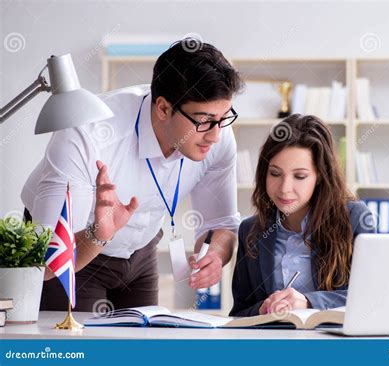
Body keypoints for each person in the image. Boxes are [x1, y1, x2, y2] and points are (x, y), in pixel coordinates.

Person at [21, 38, 243, 311]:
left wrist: (217, 255)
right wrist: (98, 234)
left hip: (141, 249)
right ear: (163, 108)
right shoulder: (87, 132)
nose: (216, 134)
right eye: (204, 120)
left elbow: (221, 223)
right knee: (82, 349)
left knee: (143, 346)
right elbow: (47, 260)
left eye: (223, 118)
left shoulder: (217, 131)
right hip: (80, 247)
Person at [229, 114, 376, 317]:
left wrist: (309, 302)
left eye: (300, 176)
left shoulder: (355, 218)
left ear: (319, 177)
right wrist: (261, 309)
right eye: (275, 173)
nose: (284, 188)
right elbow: (239, 313)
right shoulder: (250, 231)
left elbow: (373, 297)